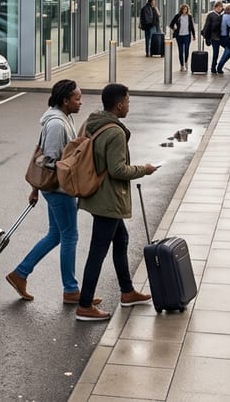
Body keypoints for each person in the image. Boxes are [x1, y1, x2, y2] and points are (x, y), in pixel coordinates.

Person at [75, 83, 158, 321]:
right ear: (119, 104)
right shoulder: (115, 132)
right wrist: (145, 169)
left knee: (121, 240)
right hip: (108, 199)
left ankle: (127, 291)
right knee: (97, 251)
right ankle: (84, 305)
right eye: (128, 102)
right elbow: (118, 170)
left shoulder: (94, 122)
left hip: (97, 195)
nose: (129, 106)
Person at [5, 80, 83, 304]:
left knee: (56, 235)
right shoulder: (57, 124)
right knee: (70, 236)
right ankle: (70, 290)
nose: (80, 102)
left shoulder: (64, 117)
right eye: (77, 98)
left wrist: (36, 189)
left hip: (54, 188)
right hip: (59, 189)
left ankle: (20, 273)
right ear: (65, 101)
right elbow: (48, 159)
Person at [168, 4, 197, 71]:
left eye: (186, 9)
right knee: (180, 51)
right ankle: (182, 65)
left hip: (187, 36)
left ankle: (186, 62)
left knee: (186, 50)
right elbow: (171, 24)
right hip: (179, 36)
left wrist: (194, 35)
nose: (184, 11)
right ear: (181, 10)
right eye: (183, 9)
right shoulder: (178, 16)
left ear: (187, 10)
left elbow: (192, 26)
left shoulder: (189, 17)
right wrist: (175, 29)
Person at [201, 1, 224, 72]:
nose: (220, 8)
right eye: (219, 7)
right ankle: (213, 67)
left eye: (221, 7)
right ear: (215, 7)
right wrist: (206, 37)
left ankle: (218, 66)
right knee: (215, 53)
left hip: (221, 37)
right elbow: (207, 26)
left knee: (228, 49)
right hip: (214, 37)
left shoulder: (221, 15)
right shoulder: (211, 15)